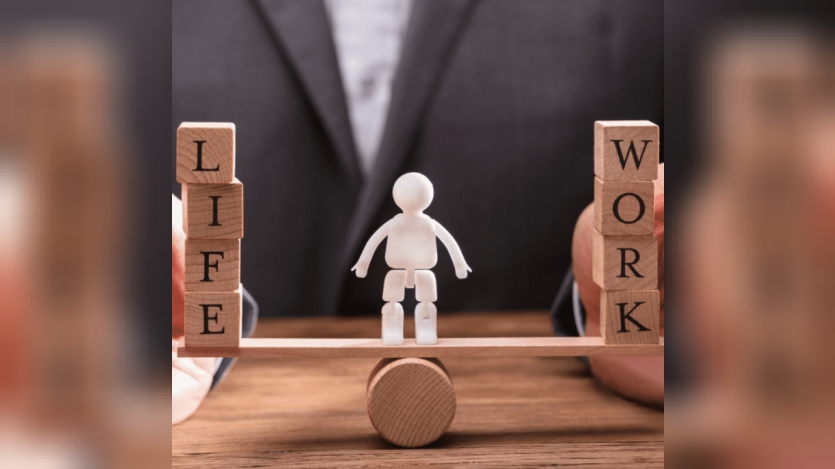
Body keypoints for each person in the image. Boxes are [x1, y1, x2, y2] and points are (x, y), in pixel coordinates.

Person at [172, 0, 664, 424]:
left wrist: (632, 304)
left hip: (545, 399)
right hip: (228, 403)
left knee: (417, 303)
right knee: (396, 303)